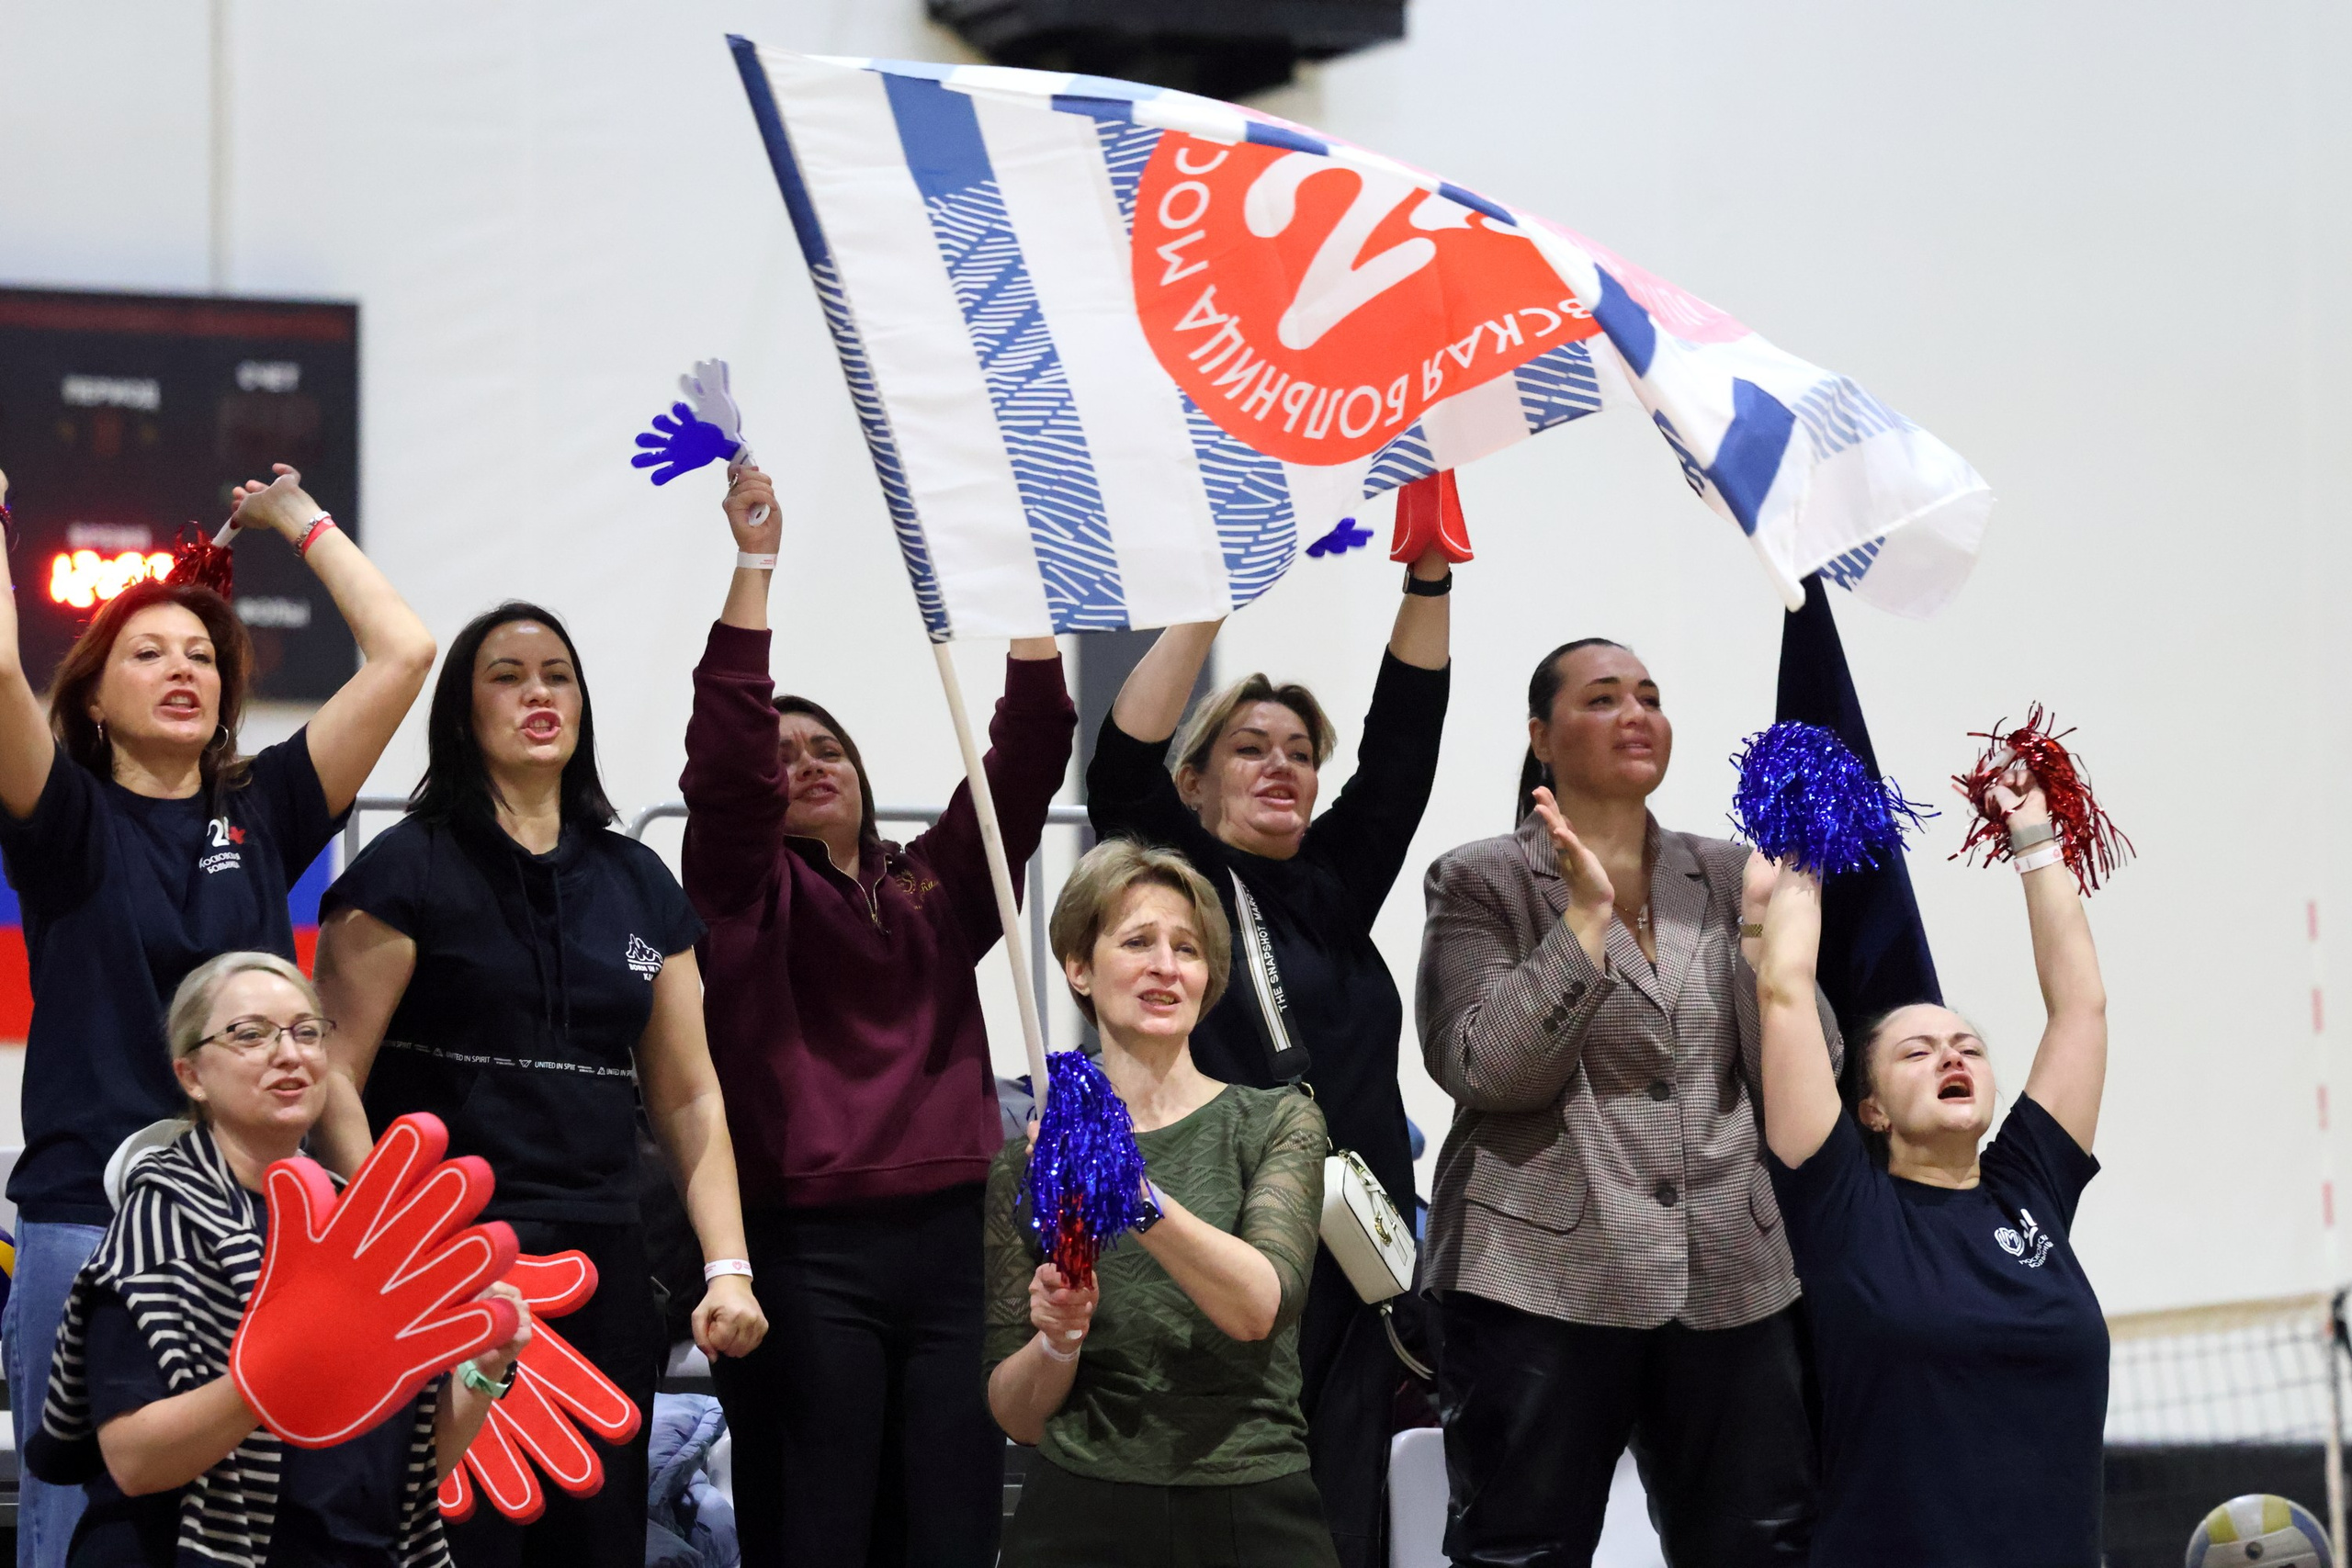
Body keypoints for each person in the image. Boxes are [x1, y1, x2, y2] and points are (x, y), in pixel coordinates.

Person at [0, 462, 436, 1568]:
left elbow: (405, 654)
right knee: (83, 1538)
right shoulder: (64, 817)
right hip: (87, 1219)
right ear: (94, 697)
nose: (182, 667)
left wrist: (299, 520)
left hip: (254, 1230)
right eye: (146, 653)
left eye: (202, 654)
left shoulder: (266, 807)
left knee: (245, 1537)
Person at [311, 601, 768, 1568]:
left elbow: (689, 1098)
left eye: (556, 674)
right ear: (460, 714)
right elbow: (332, 1079)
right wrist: (388, 1243)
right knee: (454, 1539)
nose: (537, 694)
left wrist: (727, 1265)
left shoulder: (641, 883)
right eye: (507, 676)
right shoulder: (404, 870)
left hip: (604, 1271)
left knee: (595, 1540)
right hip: (443, 1265)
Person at [678, 464, 1074, 1567]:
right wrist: (755, 565)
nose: (805, 764)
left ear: (860, 772)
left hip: (954, 1247)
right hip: (806, 1253)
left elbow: (1028, 761)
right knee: (817, 1532)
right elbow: (721, 770)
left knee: (948, 1529)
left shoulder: (937, 887)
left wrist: (1022, 597)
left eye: (827, 748)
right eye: (783, 752)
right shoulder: (740, 890)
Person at [1416, 637, 1839, 1568]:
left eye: (1648, 695)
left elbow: (1803, 1078)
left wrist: (1777, 943)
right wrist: (1584, 921)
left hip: (1733, 1273)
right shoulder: (1478, 879)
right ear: (1541, 736)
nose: (1636, 713)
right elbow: (1487, 1067)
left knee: (1764, 1549)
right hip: (1535, 1276)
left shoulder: (1730, 874)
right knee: (1519, 1550)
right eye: (1602, 698)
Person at [1084, 546, 1454, 1568]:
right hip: (1221, 1241)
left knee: (1333, 1523)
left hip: (1350, 1256)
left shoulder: (1336, 882)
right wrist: (1206, 603)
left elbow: (1403, 751)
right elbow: (1118, 764)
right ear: (1195, 783)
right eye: (1250, 748)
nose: (1281, 765)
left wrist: (1429, 583)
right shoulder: (1187, 881)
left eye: (1298, 750)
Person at [24, 951, 532, 1568]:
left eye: (307, 1031)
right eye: (251, 1034)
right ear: (192, 1075)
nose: (289, 1053)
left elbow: (408, 1471)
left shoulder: (363, 1223)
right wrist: (264, 1383)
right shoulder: (158, 1223)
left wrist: (481, 1371)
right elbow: (132, 1461)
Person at [1753, 770, 2110, 1566]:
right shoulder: (1841, 1201)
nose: (1952, 1053)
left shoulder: (2030, 1189)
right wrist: (1812, 840)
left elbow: (2079, 1006)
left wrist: (2034, 837)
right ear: (1870, 1107)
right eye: (1918, 1051)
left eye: (1968, 1048)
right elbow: (1782, 991)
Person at [986, 839, 1334, 1567]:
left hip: (1251, 1499)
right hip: (1081, 1505)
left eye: (1188, 948)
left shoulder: (1276, 1120)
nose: (1167, 966)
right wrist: (1059, 1338)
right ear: (1079, 966)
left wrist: (1130, 1190)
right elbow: (1016, 1415)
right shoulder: (1029, 1158)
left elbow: (1257, 1305)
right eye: (1138, 941)